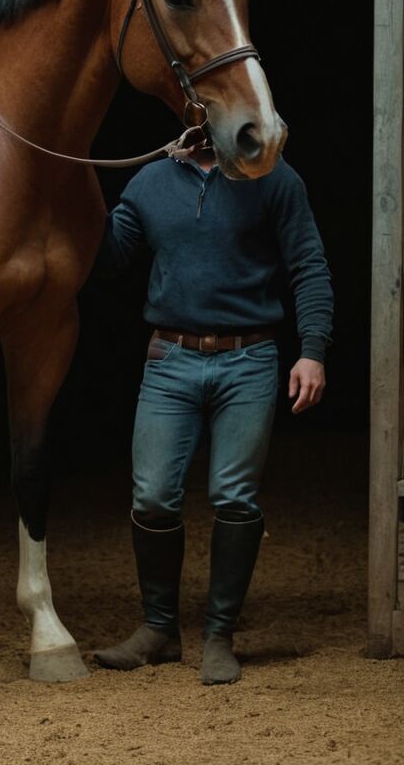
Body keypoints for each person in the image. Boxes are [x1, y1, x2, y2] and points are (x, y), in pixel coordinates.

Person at [92, 144, 333, 685]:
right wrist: (80, 190)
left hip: (248, 357)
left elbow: (308, 264)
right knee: (152, 496)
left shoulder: (272, 177)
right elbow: (108, 258)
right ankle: (159, 630)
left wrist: (312, 349)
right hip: (170, 358)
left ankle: (219, 636)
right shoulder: (152, 180)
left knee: (234, 495)